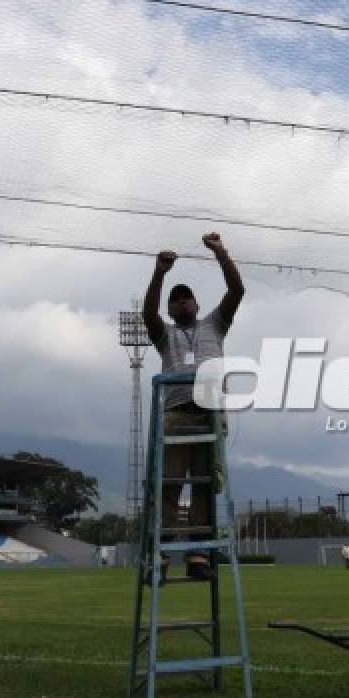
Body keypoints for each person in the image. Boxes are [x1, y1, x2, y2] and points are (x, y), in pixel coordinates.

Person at [143, 232, 244, 581]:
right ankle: (162, 556)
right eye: (176, 300)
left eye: (187, 298)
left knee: (205, 485)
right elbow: (147, 312)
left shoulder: (215, 325)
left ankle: (200, 555)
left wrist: (220, 253)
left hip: (209, 413)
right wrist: (159, 273)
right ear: (170, 309)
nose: (182, 303)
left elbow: (236, 290)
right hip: (175, 415)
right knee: (169, 483)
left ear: (197, 305)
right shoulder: (165, 335)